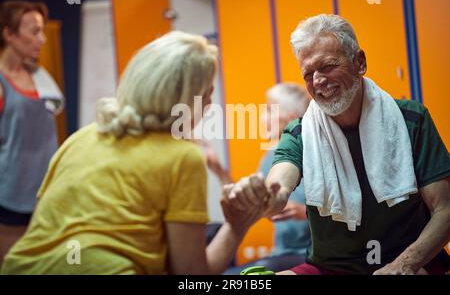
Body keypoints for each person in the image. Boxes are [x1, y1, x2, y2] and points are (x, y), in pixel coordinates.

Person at [1, 31, 266, 275]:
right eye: (207, 93)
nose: (209, 104)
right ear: (187, 99)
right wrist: (237, 225)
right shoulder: (183, 157)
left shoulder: (81, 137)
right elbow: (192, 276)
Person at [226, 14, 450, 275]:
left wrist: (404, 264)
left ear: (360, 62)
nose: (318, 80)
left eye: (328, 66)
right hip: (329, 269)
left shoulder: (412, 120)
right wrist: (265, 197)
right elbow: (280, 184)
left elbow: (445, 210)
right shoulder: (300, 131)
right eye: (308, 74)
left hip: (409, 264)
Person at [205, 83, 312, 274]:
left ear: (291, 117)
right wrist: (220, 171)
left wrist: (306, 212)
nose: (263, 119)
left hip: (310, 253)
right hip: (281, 254)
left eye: (270, 110)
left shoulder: (317, 155)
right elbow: (249, 204)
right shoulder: (270, 158)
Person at [0, 0, 64, 266]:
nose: (42, 39)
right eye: (34, 31)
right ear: (9, 34)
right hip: (12, 194)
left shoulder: (39, 75)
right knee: (12, 266)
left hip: (47, 192)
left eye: (42, 31)